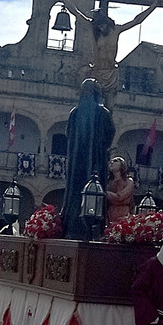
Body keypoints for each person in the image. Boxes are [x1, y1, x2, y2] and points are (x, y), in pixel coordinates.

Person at [61, 79, 114, 239]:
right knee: (95, 194)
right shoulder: (103, 113)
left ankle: (71, 226)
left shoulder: (74, 113)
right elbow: (110, 135)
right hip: (96, 163)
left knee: (74, 193)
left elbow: (68, 134)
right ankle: (93, 230)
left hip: (75, 165)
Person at [105, 156, 135, 223]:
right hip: (109, 213)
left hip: (123, 213)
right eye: (111, 162)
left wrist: (105, 193)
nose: (112, 163)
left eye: (115, 161)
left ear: (122, 165)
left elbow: (120, 197)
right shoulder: (108, 181)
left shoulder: (129, 181)